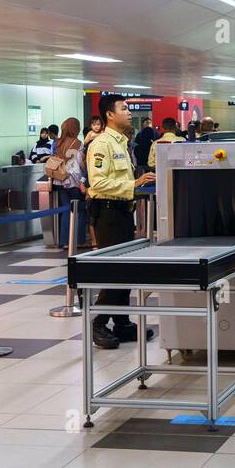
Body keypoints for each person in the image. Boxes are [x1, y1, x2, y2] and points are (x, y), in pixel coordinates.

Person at [85, 94, 157, 350]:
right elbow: (98, 182)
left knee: (126, 267)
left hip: (123, 212)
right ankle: (99, 322)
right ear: (109, 115)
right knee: (115, 270)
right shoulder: (101, 144)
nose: (129, 112)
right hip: (108, 214)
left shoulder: (121, 142)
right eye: (124, 109)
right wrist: (133, 184)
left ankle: (122, 322)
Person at [51, 117, 87, 247]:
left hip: (60, 180)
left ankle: (65, 240)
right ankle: (77, 240)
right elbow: (77, 164)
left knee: (66, 210)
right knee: (79, 210)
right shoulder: (76, 143)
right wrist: (82, 181)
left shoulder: (59, 143)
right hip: (73, 181)